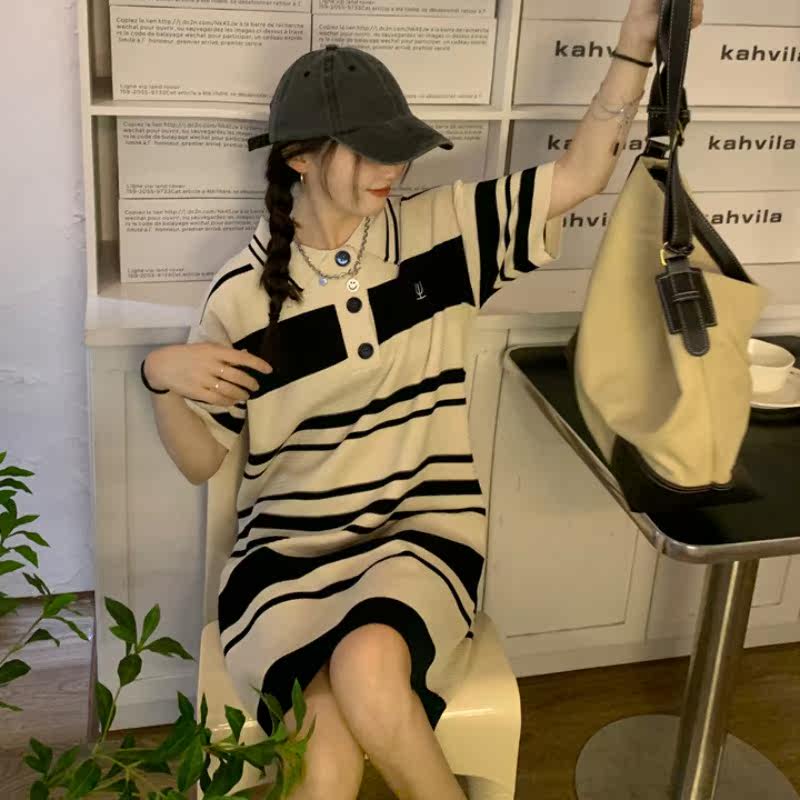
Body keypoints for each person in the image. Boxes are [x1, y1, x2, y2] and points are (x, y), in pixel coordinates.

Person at [141, 2, 703, 797]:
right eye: (370, 149)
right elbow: (201, 460)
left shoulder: (446, 233)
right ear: (299, 157)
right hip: (284, 560)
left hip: (423, 535)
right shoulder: (241, 295)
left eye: (398, 147)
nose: (394, 167)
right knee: (323, 747)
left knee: (369, 668)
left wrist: (636, 43)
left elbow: (581, 175)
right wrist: (161, 375)